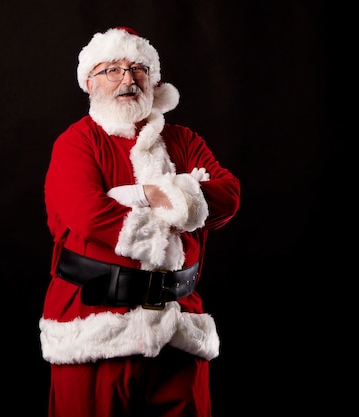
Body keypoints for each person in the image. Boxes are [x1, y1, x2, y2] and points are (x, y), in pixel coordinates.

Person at [38, 26, 241, 417]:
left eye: (138, 68)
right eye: (111, 69)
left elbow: (228, 195)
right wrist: (162, 197)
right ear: (89, 82)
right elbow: (87, 213)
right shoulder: (77, 141)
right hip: (96, 327)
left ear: (155, 79)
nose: (127, 79)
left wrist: (131, 196)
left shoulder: (185, 141)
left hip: (179, 325)